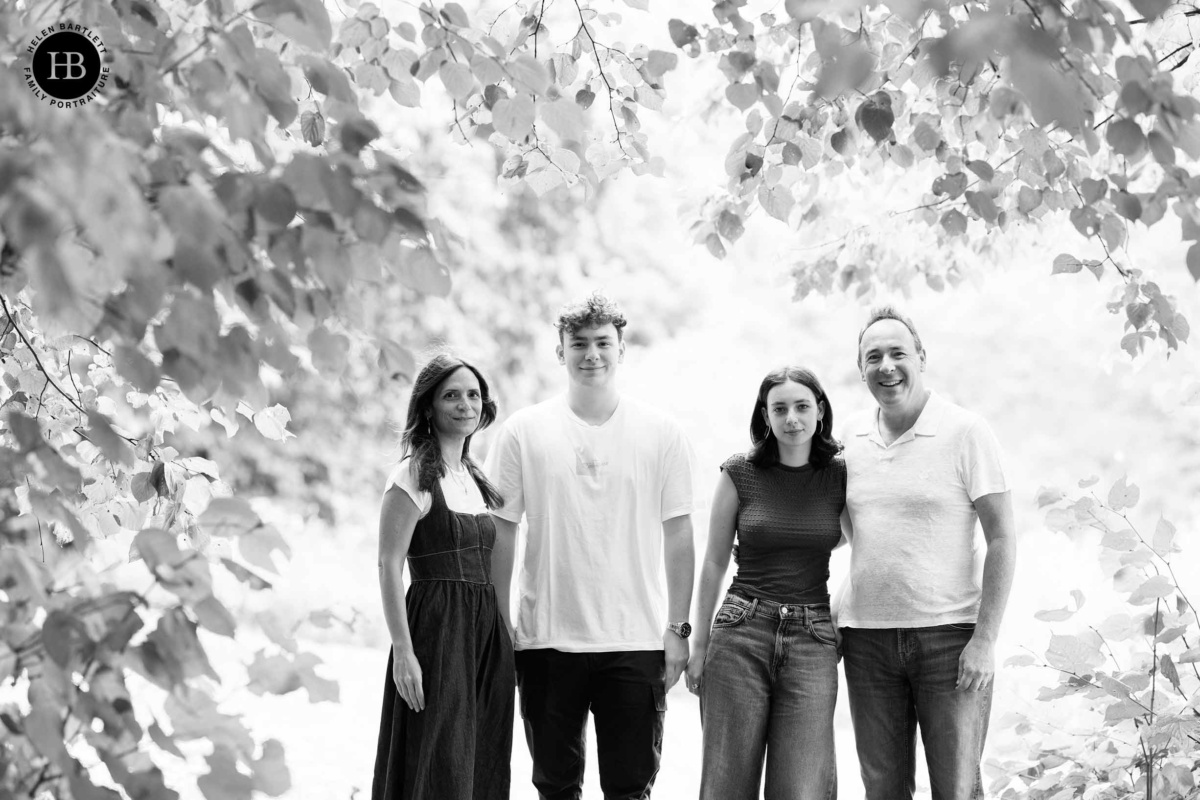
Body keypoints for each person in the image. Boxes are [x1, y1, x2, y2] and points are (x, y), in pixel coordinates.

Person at [486, 292, 696, 800]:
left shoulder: (663, 433)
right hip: (545, 642)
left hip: (636, 640)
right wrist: (501, 625)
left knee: (630, 790)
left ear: (622, 349)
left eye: (603, 342)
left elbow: (680, 535)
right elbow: (502, 533)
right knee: (555, 788)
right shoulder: (522, 431)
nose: (591, 354)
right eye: (578, 343)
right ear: (560, 352)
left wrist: (678, 630)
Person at [837, 306, 1017, 800]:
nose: (886, 366)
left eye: (898, 353)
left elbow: (1002, 538)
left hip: (950, 642)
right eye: (873, 357)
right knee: (883, 789)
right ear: (861, 368)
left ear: (921, 357)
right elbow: (850, 524)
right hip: (867, 642)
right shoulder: (848, 438)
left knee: (956, 790)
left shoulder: (966, 432)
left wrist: (985, 640)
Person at [685, 366, 845, 800]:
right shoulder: (739, 471)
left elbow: (866, 543)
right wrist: (697, 647)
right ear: (766, 415)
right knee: (726, 785)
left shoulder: (841, 474)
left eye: (801, 406)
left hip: (813, 638)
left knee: (801, 788)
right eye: (779, 408)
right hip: (741, 632)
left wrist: (840, 614)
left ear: (820, 410)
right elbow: (715, 561)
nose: (791, 418)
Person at [372, 354, 514, 800]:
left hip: (485, 636)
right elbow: (387, 564)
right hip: (437, 631)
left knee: (483, 756)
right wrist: (403, 652)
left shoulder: (475, 478)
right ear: (428, 406)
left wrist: (506, 634)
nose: (465, 404)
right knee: (440, 760)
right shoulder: (414, 473)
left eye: (473, 395)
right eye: (451, 395)